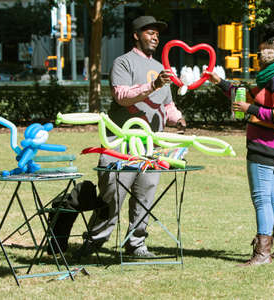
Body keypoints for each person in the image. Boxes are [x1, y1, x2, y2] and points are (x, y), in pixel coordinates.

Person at [78, 16, 186, 258]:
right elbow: (122, 96)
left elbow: (167, 105)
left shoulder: (161, 68)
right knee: (112, 195)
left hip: (151, 147)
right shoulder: (123, 63)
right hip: (121, 145)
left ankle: (136, 244)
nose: (155, 37)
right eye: (150, 32)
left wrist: (177, 118)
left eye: (158, 34)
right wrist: (152, 85)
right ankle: (94, 242)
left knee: (145, 197)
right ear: (136, 35)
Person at [204, 20, 274, 266]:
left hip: (265, 146)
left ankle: (262, 252)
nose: (257, 51)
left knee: (261, 199)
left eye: (261, 45)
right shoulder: (272, 76)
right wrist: (219, 82)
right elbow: (246, 94)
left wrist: (249, 109)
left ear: (271, 48)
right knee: (272, 197)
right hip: (268, 145)